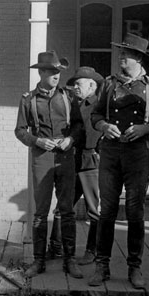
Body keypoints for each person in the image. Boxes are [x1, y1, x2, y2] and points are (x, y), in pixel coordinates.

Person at [90, 33, 149, 288]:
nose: (121, 59)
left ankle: (134, 267)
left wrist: (145, 129)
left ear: (137, 58)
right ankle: (101, 265)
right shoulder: (108, 84)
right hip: (111, 154)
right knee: (107, 211)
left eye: (125, 55)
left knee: (135, 213)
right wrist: (103, 125)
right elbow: (95, 114)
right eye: (121, 54)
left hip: (138, 156)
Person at [15, 50, 83, 278]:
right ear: (41, 72)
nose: (56, 76)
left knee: (67, 211)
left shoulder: (68, 96)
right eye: (52, 71)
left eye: (58, 72)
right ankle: (38, 261)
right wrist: (37, 141)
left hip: (65, 157)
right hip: (41, 158)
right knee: (40, 213)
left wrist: (71, 139)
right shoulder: (28, 99)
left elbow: (79, 126)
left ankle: (70, 259)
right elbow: (20, 130)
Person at [48, 67, 104, 265]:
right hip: (72, 160)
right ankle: (54, 247)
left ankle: (92, 250)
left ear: (92, 85)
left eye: (79, 83)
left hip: (91, 163)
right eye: (74, 84)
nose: (75, 87)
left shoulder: (101, 106)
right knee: (63, 206)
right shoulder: (71, 104)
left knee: (93, 209)